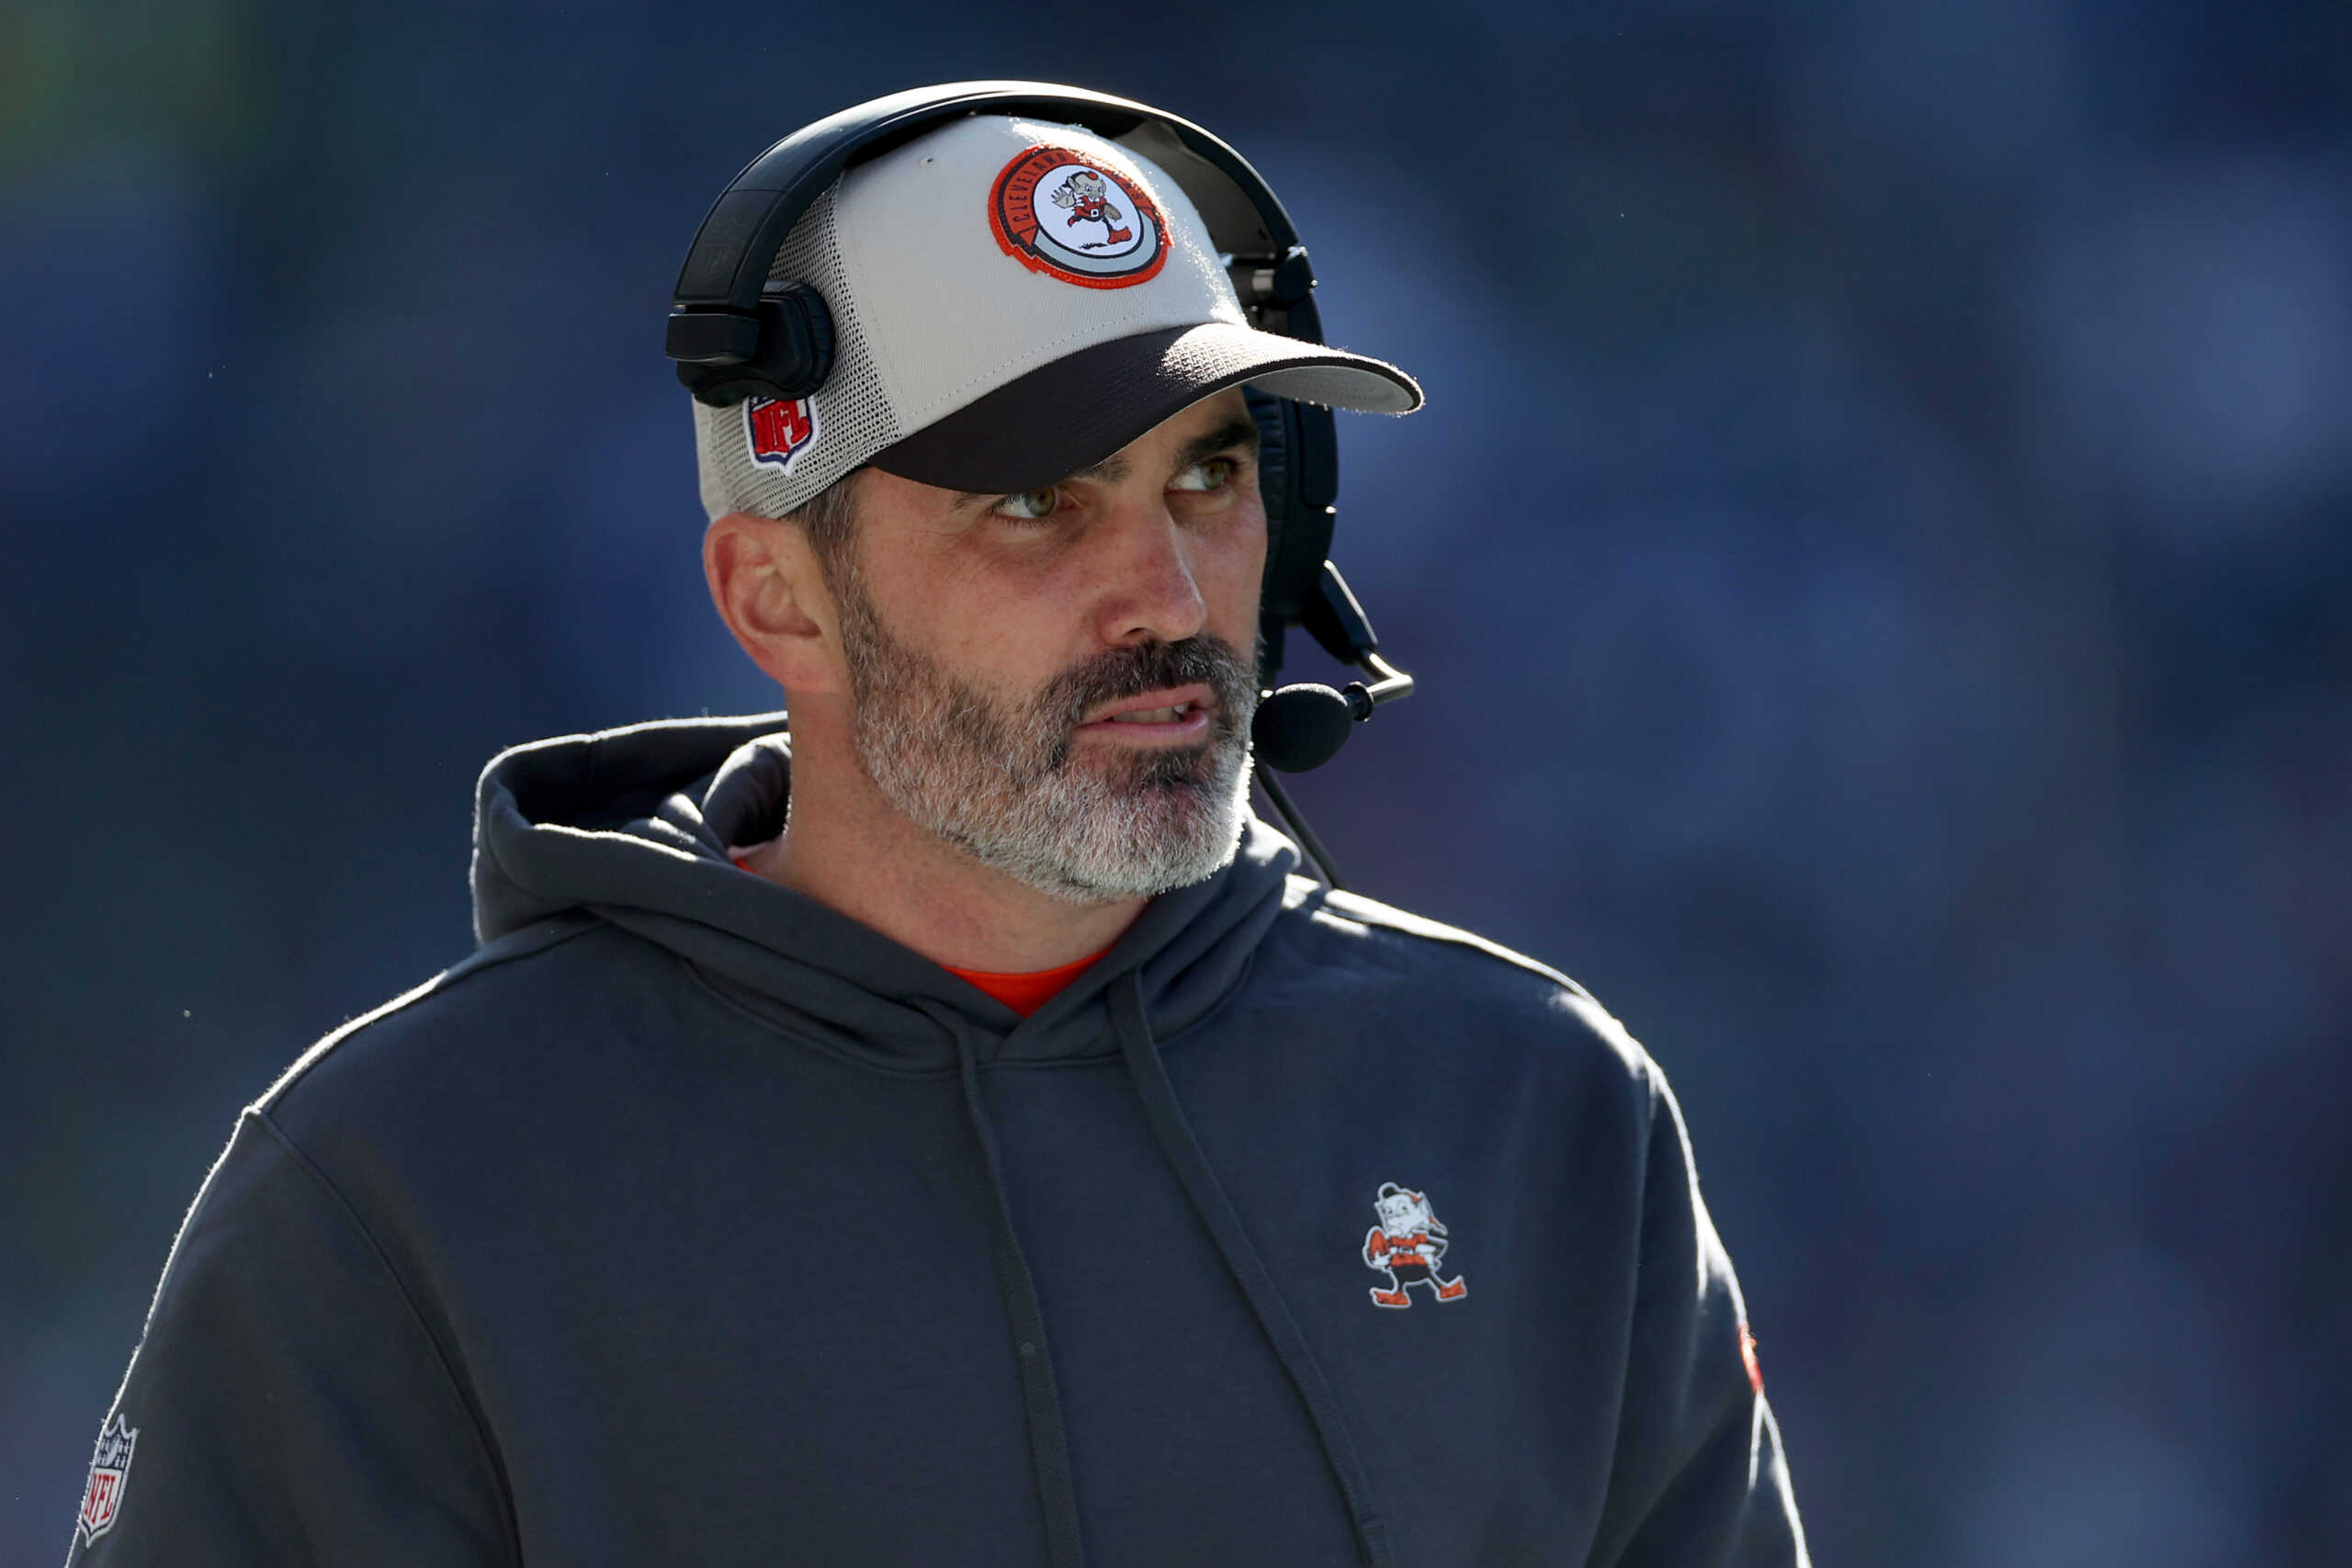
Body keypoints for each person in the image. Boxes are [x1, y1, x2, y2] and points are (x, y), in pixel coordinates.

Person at [65, 86, 1808, 1567]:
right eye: (1037, 504)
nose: (1167, 588)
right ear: (780, 600)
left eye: (1208, 471)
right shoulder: (398, 1198)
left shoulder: (1537, 1113)